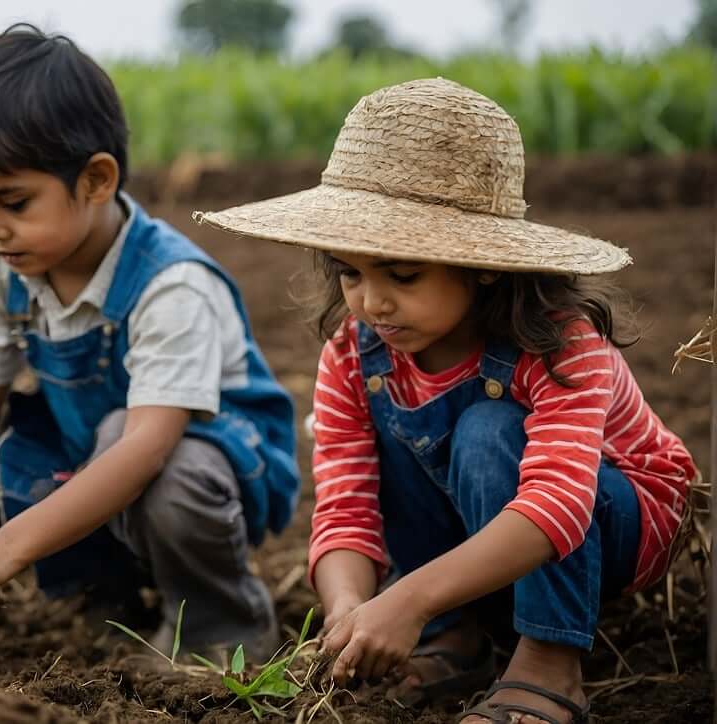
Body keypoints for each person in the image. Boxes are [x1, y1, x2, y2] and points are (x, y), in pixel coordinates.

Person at [195, 78, 696, 723]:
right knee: (413, 440)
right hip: (480, 525)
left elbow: (560, 502)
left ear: (483, 265)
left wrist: (410, 600)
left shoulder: (560, 341)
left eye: (402, 275)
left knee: (489, 432)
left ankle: (548, 661)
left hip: (617, 521)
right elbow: (346, 502)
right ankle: (454, 638)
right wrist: (353, 607)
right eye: (351, 273)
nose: (372, 302)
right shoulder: (354, 354)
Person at [0, 24, 301, 657]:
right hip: (103, 453)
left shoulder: (170, 286)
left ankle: (221, 625)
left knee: (153, 464)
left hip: (209, 468)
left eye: (12, 202)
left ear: (96, 180)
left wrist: (5, 548)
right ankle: (104, 605)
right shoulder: (6, 273)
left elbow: (147, 448)